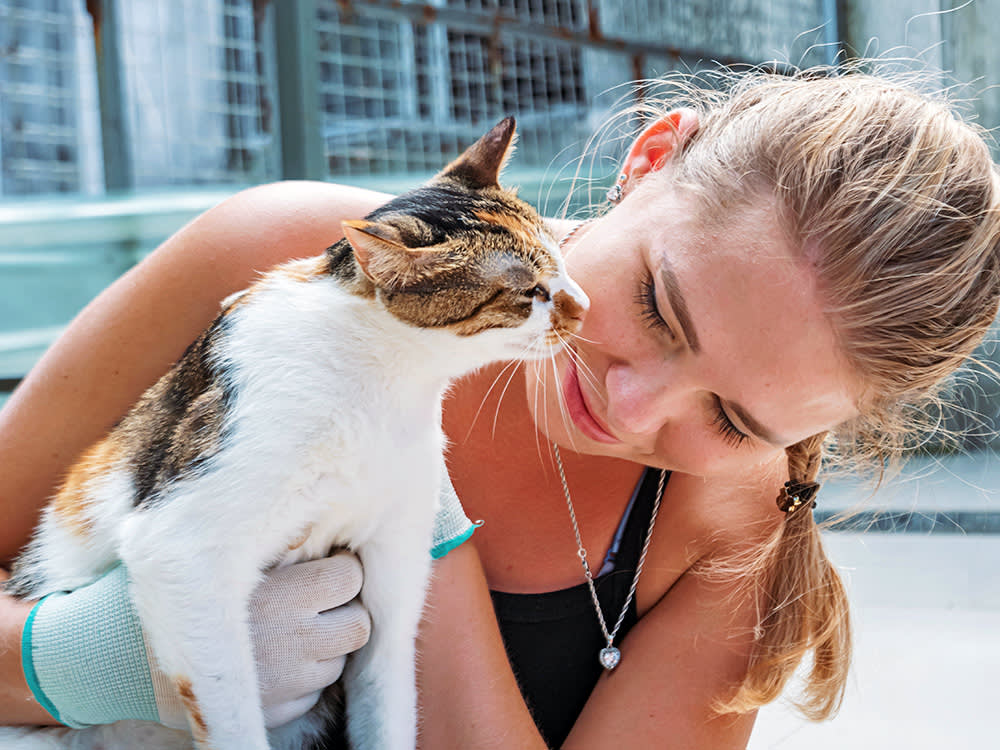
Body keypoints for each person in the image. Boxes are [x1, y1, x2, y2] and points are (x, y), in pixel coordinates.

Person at [2, 65, 999, 749]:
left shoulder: (736, 523)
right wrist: (75, 661)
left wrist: (416, 515)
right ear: (648, 157)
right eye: (657, 307)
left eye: (735, 420)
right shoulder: (283, 267)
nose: (632, 404)